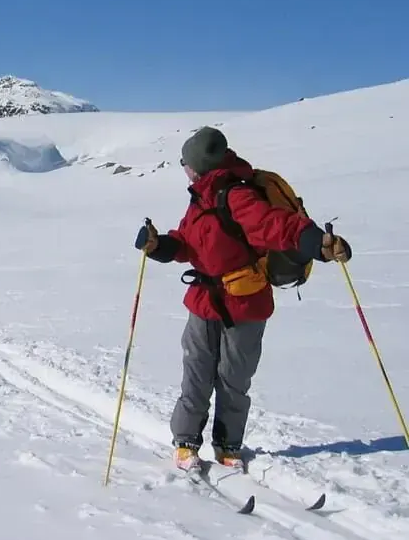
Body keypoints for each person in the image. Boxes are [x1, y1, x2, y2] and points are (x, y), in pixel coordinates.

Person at [135, 126, 351, 471]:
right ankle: (186, 442)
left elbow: (275, 225)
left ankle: (228, 445)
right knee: (197, 373)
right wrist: (159, 245)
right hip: (205, 300)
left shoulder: (236, 195)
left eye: (185, 163)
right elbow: (188, 242)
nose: (184, 170)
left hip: (245, 301)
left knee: (234, 378)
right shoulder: (202, 197)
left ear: (199, 166)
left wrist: (316, 243)